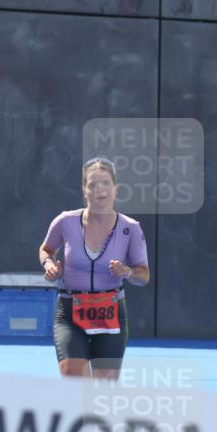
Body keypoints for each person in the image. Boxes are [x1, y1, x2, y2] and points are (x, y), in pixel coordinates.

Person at [39, 157, 150, 378]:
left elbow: (144, 275)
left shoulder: (131, 228)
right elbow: (46, 249)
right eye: (92, 184)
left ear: (115, 189)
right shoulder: (65, 222)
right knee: (74, 378)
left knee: (103, 392)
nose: (99, 190)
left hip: (110, 312)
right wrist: (49, 265)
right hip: (70, 311)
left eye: (105, 183)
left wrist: (127, 272)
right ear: (84, 190)